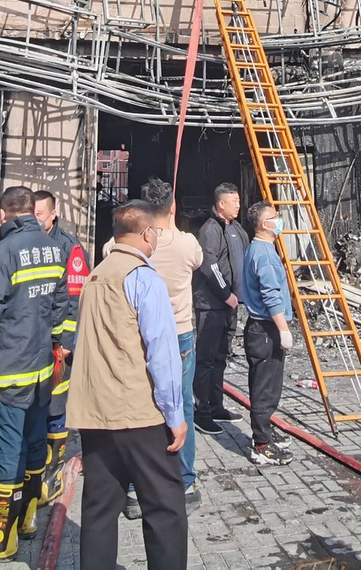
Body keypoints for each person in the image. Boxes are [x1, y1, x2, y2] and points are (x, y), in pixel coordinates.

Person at [68, 199, 187, 570]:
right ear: (148, 233)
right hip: (139, 413)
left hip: (94, 413)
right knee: (164, 506)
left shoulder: (96, 275)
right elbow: (162, 355)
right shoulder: (143, 278)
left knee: (100, 507)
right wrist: (175, 415)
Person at [0, 186, 70, 563]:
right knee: (34, 444)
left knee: (6, 454)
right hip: (40, 368)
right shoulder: (54, 247)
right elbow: (59, 305)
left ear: (5, 213)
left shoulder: (1, 252)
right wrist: (52, 342)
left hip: (5, 371)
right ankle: (27, 520)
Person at [103, 178, 204, 517]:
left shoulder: (122, 246)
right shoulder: (187, 244)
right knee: (182, 406)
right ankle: (185, 480)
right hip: (179, 334)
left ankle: (134, 488)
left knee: (140, 409)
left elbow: (108, 255)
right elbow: (198, 262)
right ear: (173, 206)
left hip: (136, 338)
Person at [31, 188, 90, 506]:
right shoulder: (24, 245)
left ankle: (51, 470)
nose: (35, 219)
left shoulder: (69, 248)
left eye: (40, 214)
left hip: (57, 349)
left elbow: (76, 299)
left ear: (53, 214)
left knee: (55, 408)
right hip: (29, 345)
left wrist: (65, 343)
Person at [241, 200, 295, 466]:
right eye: (275, 217)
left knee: (270, 387)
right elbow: (270, 295)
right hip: (265, 328)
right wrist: (283, 329)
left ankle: (265, 432)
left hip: (262, 328)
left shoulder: (262, 249)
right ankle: (261, 445)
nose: (279, 220)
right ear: (264, 224)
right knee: (264, 389)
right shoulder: (262, 253)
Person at [192, 182, 246, 436]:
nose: (238, 204)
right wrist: (225, 294)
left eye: (238, 200)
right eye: (233, 201)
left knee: (221, 357)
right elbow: (209, 265)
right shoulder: (210, 229)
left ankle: (216, 405)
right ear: (220, 203)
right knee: (206, 359)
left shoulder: (237, 230)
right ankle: (201, 411)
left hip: (231, 306)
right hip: (212, 305)